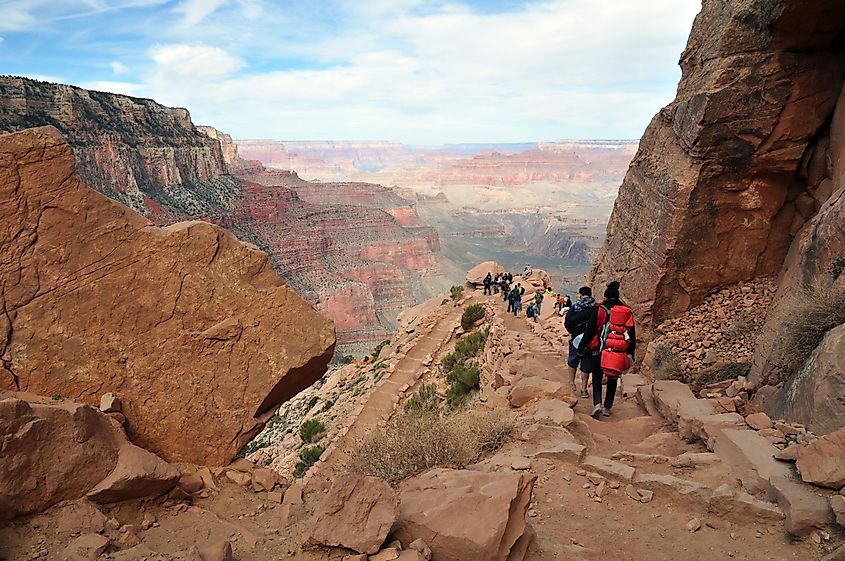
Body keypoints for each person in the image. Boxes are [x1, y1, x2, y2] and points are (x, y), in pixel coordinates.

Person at [578, 281, 636, 419]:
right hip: (618, 350)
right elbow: (631, 333)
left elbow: (590, 330)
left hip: (600, 348)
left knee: (597, 375)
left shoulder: (599, 309)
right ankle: (607, 407)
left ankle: (597, 403)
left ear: (605, 295)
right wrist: (630, 352)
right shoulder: (626, 311)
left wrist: (581, 347)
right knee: (613, 377)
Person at [564, 287, 596, 398]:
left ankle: (572, 383)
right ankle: (583, 389)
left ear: (581, 295)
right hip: (590, 340)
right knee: (586, 365)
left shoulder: (576, 307)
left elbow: (567, 322)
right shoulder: (596, 307)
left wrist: (573, 332)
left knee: (573, 360)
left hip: (576, 338)